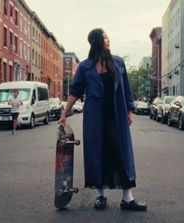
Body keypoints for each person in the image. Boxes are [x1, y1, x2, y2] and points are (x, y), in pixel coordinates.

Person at [58, 28, 147, 211]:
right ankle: (100, 196)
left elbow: (127, 89)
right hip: (94, 117)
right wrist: (64, 113)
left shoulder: (118, 62)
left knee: (121, 154)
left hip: (116, 115)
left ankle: (127, 198)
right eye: (105, 37)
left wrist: (130, 110)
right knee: (97, 154)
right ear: (97, 41)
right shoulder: (85, 66)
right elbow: (75, 91)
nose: (108, 40)